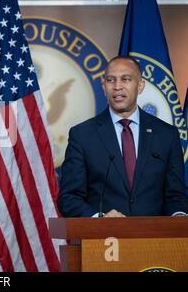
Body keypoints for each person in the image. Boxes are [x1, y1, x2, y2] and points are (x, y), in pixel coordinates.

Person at [57, 56, 188, 217]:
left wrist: (179, 216)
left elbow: (176, 196)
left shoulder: (167, 135)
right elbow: (69, 198)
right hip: (103, 239)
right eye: (111, 80)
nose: (117, 86)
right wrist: (100, 219)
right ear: (104, 86)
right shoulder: (82, 135)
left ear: (140, 86)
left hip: (154, 239)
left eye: (126, 79)